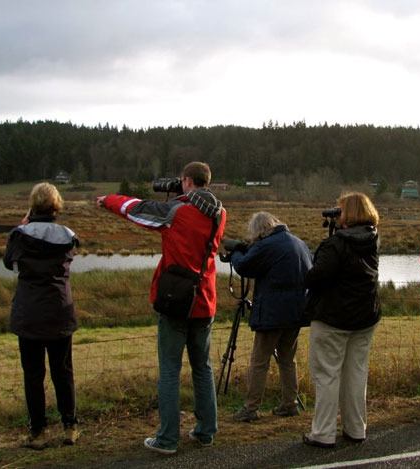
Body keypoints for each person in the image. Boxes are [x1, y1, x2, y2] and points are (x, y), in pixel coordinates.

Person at [97, 162, 226, 453]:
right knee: (202, 369)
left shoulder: (178, 211)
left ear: (186, 181)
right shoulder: (220, 212)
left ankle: (168, 439)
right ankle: (206, 431)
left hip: (176, 301)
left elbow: (136, 208)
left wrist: (108, 201)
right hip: (204, 299)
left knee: (169, 369)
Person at [4, 182, 80, 449]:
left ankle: (38, 432)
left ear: (32, 204)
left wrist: (23, 226)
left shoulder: (19, 235)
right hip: (60, 310)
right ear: (56, 205)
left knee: (33, 374)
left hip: (30, 313)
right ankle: (70, 426)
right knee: (63, 371)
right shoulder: (68, 235)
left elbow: (8, 262)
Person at [302, 192, 381, 449]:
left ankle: (323, 433)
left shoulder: (336, 244)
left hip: (333, 318)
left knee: (327, 375)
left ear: (347, 215)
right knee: (356, 374)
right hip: (365, 316)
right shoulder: (372, 239)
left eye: (340, 209)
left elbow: (315, 278)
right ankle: (356, 428)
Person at [227, 212, 312, 422]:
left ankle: (250, 408)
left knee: (259, 361)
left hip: (273, 313)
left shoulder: (267, 245)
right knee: (287, 360)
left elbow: (244, 266)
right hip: (297, 312)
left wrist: (236, 251)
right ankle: (289, 403)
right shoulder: (298, 242)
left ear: (259, 230)